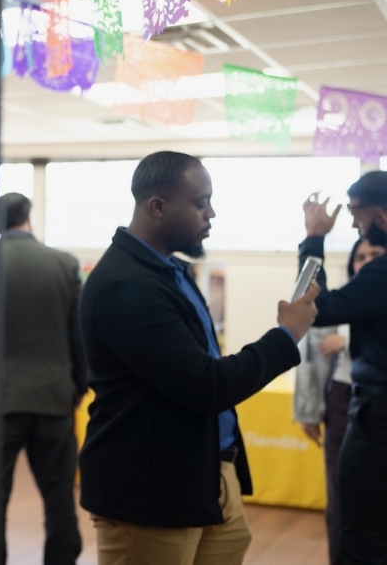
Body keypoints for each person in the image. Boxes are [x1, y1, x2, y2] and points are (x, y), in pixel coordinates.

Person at [79, 151, 318, 565]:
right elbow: (207, 385)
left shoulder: (170, 272)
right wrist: (286, 336)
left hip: (204, 473)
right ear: (157, 206)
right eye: (200, 202)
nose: (212, 213)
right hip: (151, 493)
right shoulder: (126, 286)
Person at [299, 171, 387, 564]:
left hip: (378, 416)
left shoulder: (383, 274)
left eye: (356, 215)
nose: (353, 225)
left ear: (381, 216)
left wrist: (314, 239)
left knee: (360, 530)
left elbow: (313, 307)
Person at [0, 192, 86, 565]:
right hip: (53, 398)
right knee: (60, 502)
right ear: (28, 218)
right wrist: (77, 388)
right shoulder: (64, 264)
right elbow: (78, 336)